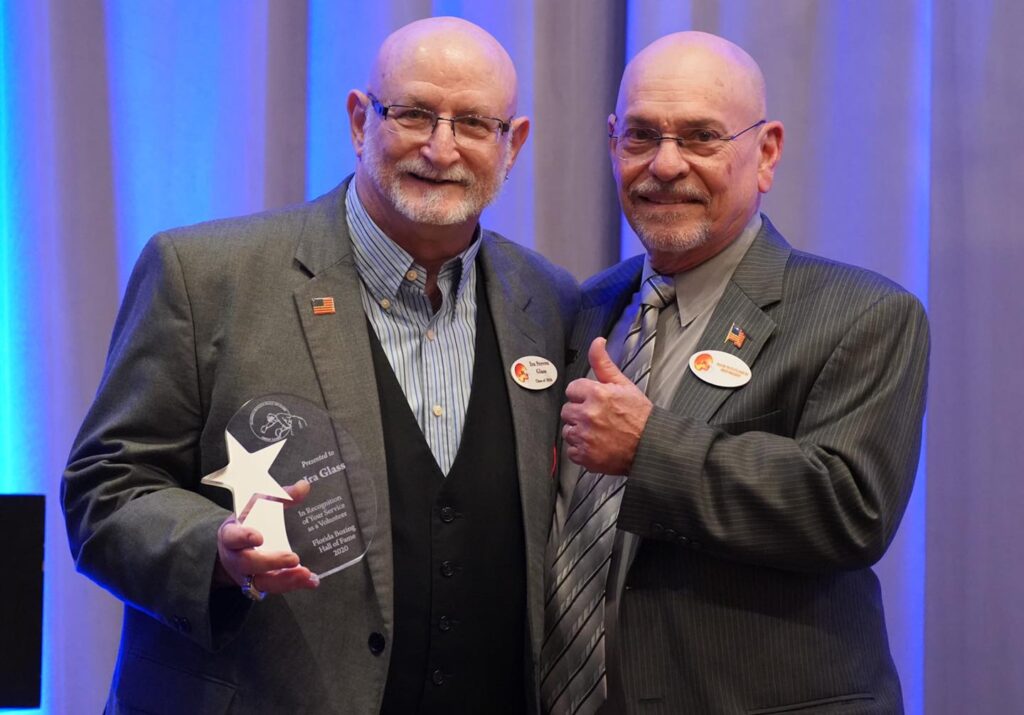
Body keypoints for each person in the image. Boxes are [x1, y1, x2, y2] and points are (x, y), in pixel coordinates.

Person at [63, 17, 578, 714]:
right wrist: (211, 548)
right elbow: (105, 489)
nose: (441, 147)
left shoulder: (549, 302)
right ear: (360, 120)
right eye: (415, 113)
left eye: (473, 124)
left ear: (512, 143)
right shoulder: (204, 276)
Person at [542, 31, 928, 714]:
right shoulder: (588, 306)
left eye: (700, 138)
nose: (665, 165)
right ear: (611, 142)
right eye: (641, 136)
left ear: (767, 150)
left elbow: (850, 508)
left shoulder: (864, 313)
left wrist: (649, 448)